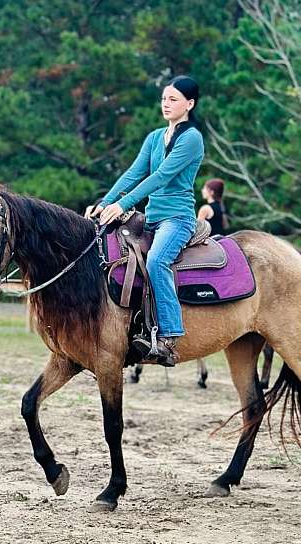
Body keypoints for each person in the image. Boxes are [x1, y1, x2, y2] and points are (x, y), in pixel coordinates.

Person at [85, 75, 204, 367]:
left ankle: (169, 336)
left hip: (177, 219)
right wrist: (105, 202)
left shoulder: (191, 138)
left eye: (173, 99)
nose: (166, 103)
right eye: (164, 98)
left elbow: (161, 176)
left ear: (189, 104)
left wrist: (122, 204)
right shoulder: (154, 138)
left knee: (156, 261)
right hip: (151, 219)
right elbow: (133, 173)